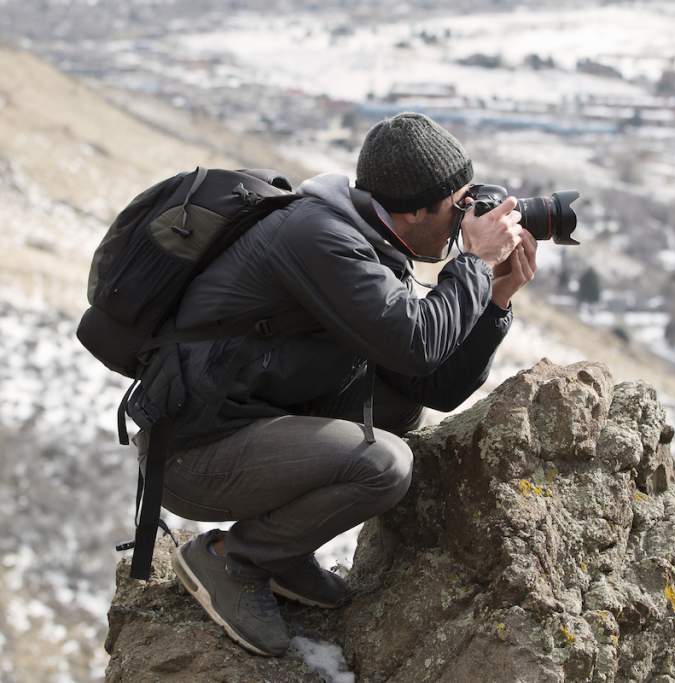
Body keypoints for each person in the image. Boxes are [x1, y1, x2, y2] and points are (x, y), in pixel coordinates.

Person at [130, 112, 538, 657]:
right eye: (458, 205)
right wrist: (476, 262)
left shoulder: (372, 241)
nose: (466, 218)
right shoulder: (318, 237)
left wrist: (494, 301)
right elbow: (415, 342)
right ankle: (234, 559)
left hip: (244, 427)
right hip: (192, 455)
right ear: (414, 209)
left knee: (399, 410)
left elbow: (432, 383)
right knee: (384, 463)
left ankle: (282, 552)